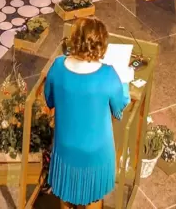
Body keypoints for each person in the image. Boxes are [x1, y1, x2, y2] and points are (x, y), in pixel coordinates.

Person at [44, 18, 129, 209]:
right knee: (94, 199)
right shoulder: (108, 74)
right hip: (96, 154)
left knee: (65, 195)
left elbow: (49, 99)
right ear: (101, 45)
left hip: (65, 148)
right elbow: (118, 109)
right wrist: (123, 85)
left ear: (74, 40)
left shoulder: (58, 66)